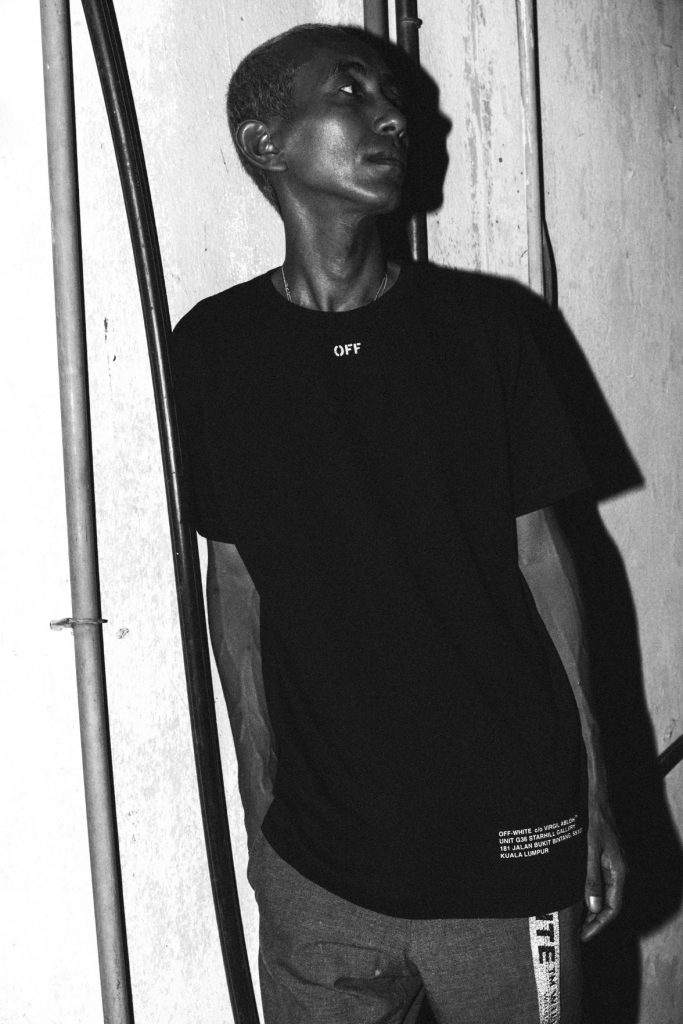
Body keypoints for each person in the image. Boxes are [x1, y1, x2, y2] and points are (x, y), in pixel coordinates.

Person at [170, 22, 626, 1024]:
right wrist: (259, 802)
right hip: (319, 863)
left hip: (506, 838)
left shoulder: (487, 330)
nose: (394, 117)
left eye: (394, 99)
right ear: (264, 142)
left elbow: (543, 560)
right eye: (350, 92)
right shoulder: (211, 351)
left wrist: (591, 789)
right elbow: (234, 580)